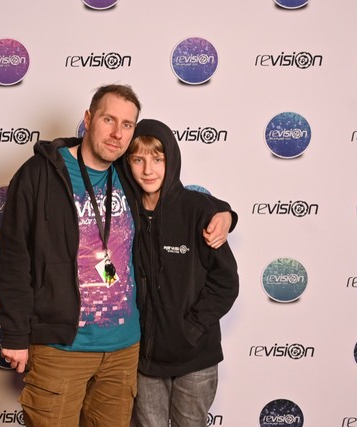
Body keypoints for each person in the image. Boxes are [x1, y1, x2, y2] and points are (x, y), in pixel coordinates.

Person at [0, 84, 235, 426]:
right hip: (63, 348)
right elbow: (14, 258)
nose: (117, 133)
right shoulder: (40, 175)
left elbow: (178, 198)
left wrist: (225, 213)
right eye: (109, 119)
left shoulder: (126, 174)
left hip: (124, 352)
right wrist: (15, 333)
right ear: (88, 119)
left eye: (127, 124)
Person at [125, 119, 240, 427]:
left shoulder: (198, 210)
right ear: (128, 162)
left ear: (172, 160)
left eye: (157, 159)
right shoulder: (123, 212)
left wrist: (192, 328)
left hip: (195, 359)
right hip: (144, 360)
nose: (148, 170)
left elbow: (225, 283)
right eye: (138, 160)